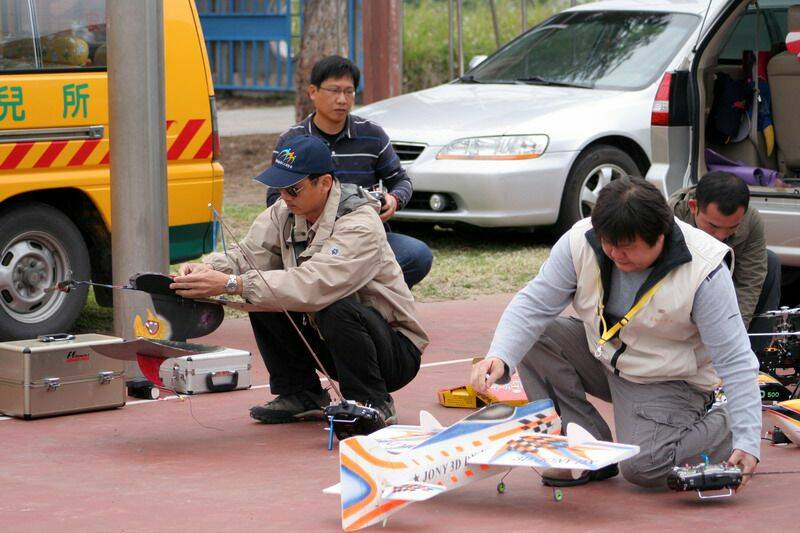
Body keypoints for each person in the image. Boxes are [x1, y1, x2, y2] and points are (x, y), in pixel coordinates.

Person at [470, 176, 761, 490]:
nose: (614, 254)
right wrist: (499, 357)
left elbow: (735, 360)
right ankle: (584, 447)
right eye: (608, 244)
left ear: (661, 235)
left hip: (665, 378)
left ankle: (727, 418)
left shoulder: (705, 270)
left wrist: (747, 437)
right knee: (535, 336)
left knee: (645, 467)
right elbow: (533, 303)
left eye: (627, 248)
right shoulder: (582, 240)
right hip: (602, 354)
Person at [172, 135, 429, 425]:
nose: (285, 197)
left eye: (293, 189)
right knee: (263, 294)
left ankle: (372, 402)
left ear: (325, 183)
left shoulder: (360, 224)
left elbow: (316, 285)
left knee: (329, 305)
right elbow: (247, 255)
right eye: (280, 187)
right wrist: (205, 270)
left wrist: (233, 284)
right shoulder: (285, 211)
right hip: (328, 337)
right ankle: (300, 393)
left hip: (394, 352)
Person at [267, 55, 433, 289]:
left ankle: (355, 304)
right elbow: (274, 197)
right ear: (312, 92)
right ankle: (343, 298)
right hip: (310, 240)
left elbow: (401, 181)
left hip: (363, 238)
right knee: (279, 269)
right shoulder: (292, 140)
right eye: (334, 90)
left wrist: (393, 199)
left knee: (418, 255)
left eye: (349, 92)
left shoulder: (372, 135)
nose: (342, 99)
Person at [670, 171, 780, 351]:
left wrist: (735, 341)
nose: (720, 236)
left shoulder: (751, 221)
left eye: (732, 227)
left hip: (728, 277)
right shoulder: (672, 219)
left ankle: (755, 354)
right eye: (713, 226)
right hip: (685, 287)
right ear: (693, 207)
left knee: (770, 262)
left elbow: (749, 283)